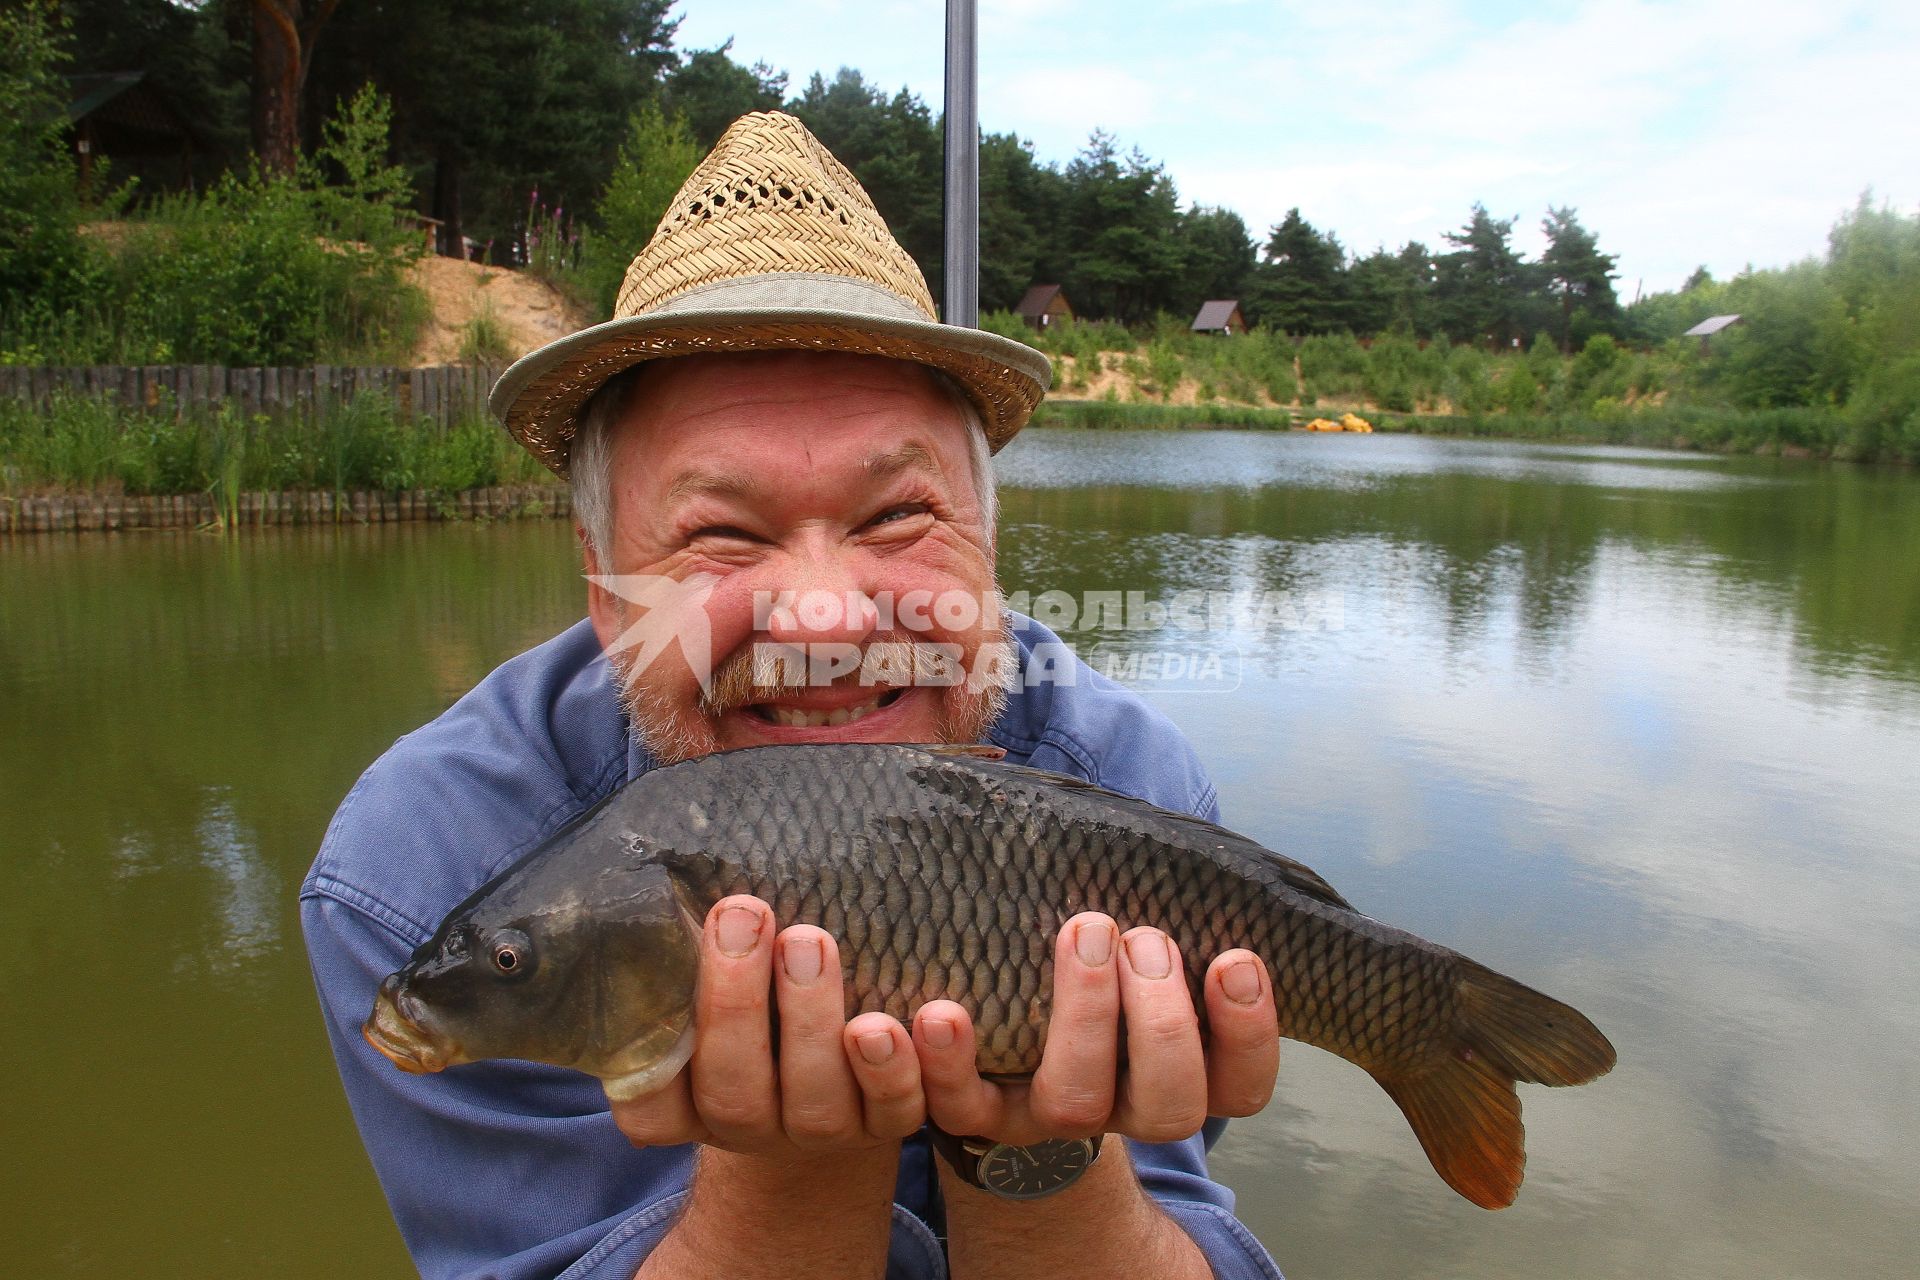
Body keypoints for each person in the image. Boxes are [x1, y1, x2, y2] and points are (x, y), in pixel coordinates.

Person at [302, 112, 1285, 1280]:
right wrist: (796, 1164)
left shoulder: (1121, 778)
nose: (824, 617)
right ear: (609, 593)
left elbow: (1171, 1219)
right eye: (723, 534)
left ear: (987, 551)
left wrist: (1038, 1154)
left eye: (894, 520)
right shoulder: (420, 867)